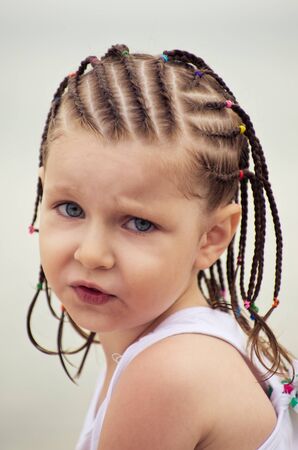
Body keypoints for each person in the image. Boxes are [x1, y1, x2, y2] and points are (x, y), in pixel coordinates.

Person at [27, 44, 298, 449]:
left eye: (139, 223)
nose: (91, 254)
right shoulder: (211, 336)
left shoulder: (167, 375)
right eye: (70, 208)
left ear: (212, 237)